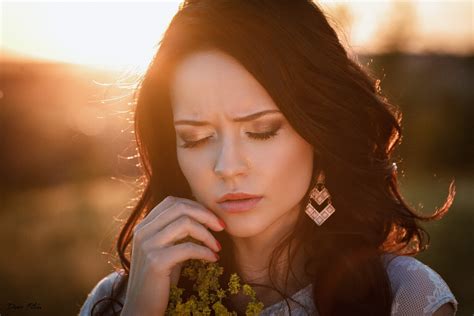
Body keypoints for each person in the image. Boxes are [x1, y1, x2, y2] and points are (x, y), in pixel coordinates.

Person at [79, 0, 458, 315]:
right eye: (195, 138)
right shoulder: (118, 300)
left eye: (261, 131)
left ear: (319, 133)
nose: (227, 166)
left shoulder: (405, 298)